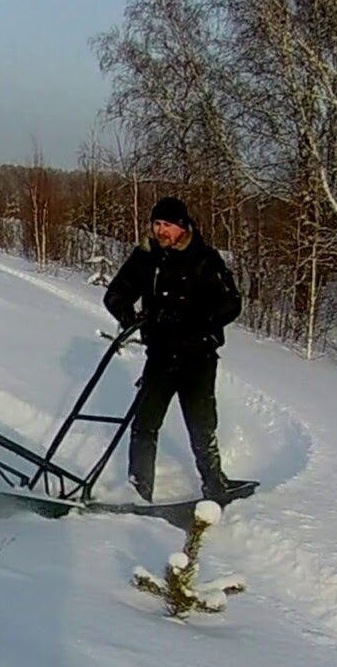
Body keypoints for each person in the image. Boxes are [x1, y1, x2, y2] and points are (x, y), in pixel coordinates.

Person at [103, 196, 243, 502]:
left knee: (201, 426)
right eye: (156, 224)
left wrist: (194, 321)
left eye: (167, 225)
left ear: (182, 227)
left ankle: (215, 485)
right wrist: (133, 318)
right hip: (161, 356)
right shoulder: (146, 257)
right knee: (144, 425)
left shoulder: (204, 259)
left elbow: (231, 303)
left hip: (198, 356)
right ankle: (139, 491)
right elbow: (115, 295)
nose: (161, 231)